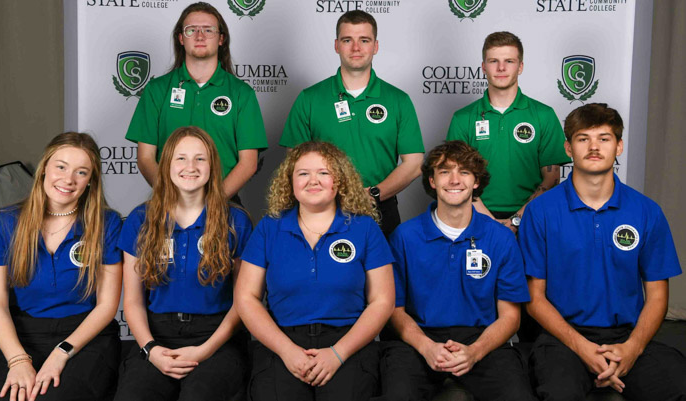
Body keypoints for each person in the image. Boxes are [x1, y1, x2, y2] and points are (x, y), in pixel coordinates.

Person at [519, 103, 686, 400]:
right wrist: (582, 347)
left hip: (627, 336)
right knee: (560, 394)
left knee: (675, 386)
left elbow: (658, 296)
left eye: (604, 138)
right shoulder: (541, 211)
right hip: (562, 337)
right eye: (583, 139)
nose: (594, 147)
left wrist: (632, 348)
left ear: (618, 146)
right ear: (568, 148)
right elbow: (534, 298)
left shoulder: (647, 211)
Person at [235, 141, 394, 401]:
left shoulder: (364, 228)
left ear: (340, 181)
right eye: (303, 173)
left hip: (348, 342)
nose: (313, 180)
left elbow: (383, 301)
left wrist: (338, 353)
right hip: (282, 340)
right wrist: (287, 351)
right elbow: (245, 298)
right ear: (290, 182)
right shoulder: (269, 228)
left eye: (324, 173)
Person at [377, 141, 536, 401]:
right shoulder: (405, 236)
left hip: (483, 339)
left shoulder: (501, 238)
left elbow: (510, 318)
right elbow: (394, 310)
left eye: (464, 172)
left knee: (517, 396)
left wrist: (475, 351)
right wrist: (426, 347)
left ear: (476, 182)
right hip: (418, 339)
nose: (454, 180)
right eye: (444, 171)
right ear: (432, 181)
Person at [114, 126, 252, 401]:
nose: (191, 166)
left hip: (217, 336)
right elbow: (132, 301)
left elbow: (245, 302)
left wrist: (204, 351)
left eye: (200, 158)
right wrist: (151, 349)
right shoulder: (141, 220)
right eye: (181, 158)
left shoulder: (236, 221)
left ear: (213, 165)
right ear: (166, 165)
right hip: (157, 335)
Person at [0, 132, 122, 401]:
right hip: (23, 334)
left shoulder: (107, 223)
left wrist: (61, 353)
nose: (68, 179)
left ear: (90, 182)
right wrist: (17, 360)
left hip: (84, 337)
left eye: (81, 172)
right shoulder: (2, 223)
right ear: (44, 167)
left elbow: (107, 306)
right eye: (61, 166)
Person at [279, 10, 424, 236]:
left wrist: (373, 194)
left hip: (380, 208)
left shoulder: (398, 100)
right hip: (322, 209)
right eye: (348, 40)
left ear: (375, 46)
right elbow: (295, 161)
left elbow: (414, 163)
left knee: (383, 273)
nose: (356, 48)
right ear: (337, 45)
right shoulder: (310, 98)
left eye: (364, 40)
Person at [126, 1, 268, 199]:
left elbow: (248, 163)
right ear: (181, 38)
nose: (200, 36)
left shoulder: (241, 93)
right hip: (168, 203)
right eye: (191, 30)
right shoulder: (156, 90)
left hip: (224, 203)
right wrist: (174, 200)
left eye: (208, 30)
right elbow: (145, 157)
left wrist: (214, 203)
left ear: (221, 39)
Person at [446, 31, 569, 233]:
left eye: (509, 61)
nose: (501, 68)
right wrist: (489, 222)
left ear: (520, 67)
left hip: (532, 220)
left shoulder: (543, 115)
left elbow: (552, 179)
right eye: (494, 61)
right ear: (484, 67)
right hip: (474, 220)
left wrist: (516, 221)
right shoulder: (463, 118)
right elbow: (457, 178)